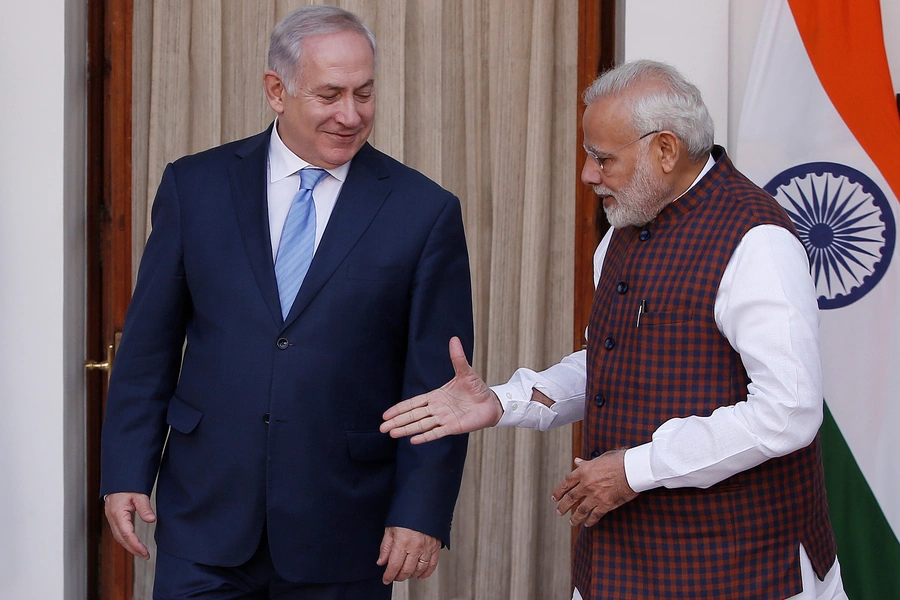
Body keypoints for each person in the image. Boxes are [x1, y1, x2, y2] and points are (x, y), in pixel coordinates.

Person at [381, 60, 847, 600]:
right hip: (619, 565)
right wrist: (504, 402)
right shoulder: (622, 231)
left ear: (665, 150)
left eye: (603, 158)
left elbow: (788, 412)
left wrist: (635, 468)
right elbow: (613, 360)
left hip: (742, 568)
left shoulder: (757, 241)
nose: (587, 174)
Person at [100, 6, 473, 599]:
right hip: (205, 516)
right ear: (276, 90)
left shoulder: (423, 212)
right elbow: (150, 345)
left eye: (364, 94)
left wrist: (421, 511)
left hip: (343, 527)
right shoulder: (194, 188)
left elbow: (439, 388)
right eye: (329, 94)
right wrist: (125, 470)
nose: (350, 115)